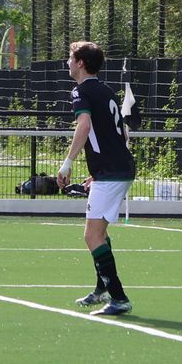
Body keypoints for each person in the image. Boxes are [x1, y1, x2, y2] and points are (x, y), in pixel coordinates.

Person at [57, 40, 136, 316]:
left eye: (70, 57)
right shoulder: (106, 91)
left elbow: (85, 125)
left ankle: (118, 297)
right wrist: (96, 171)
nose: (67, 62)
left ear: (80, 63)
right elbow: (122, 134)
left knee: (92, 235)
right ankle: (102, 288)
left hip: (113, 173)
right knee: (99, 233)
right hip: (118, 169)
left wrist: (67, 164)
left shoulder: (81, 92)